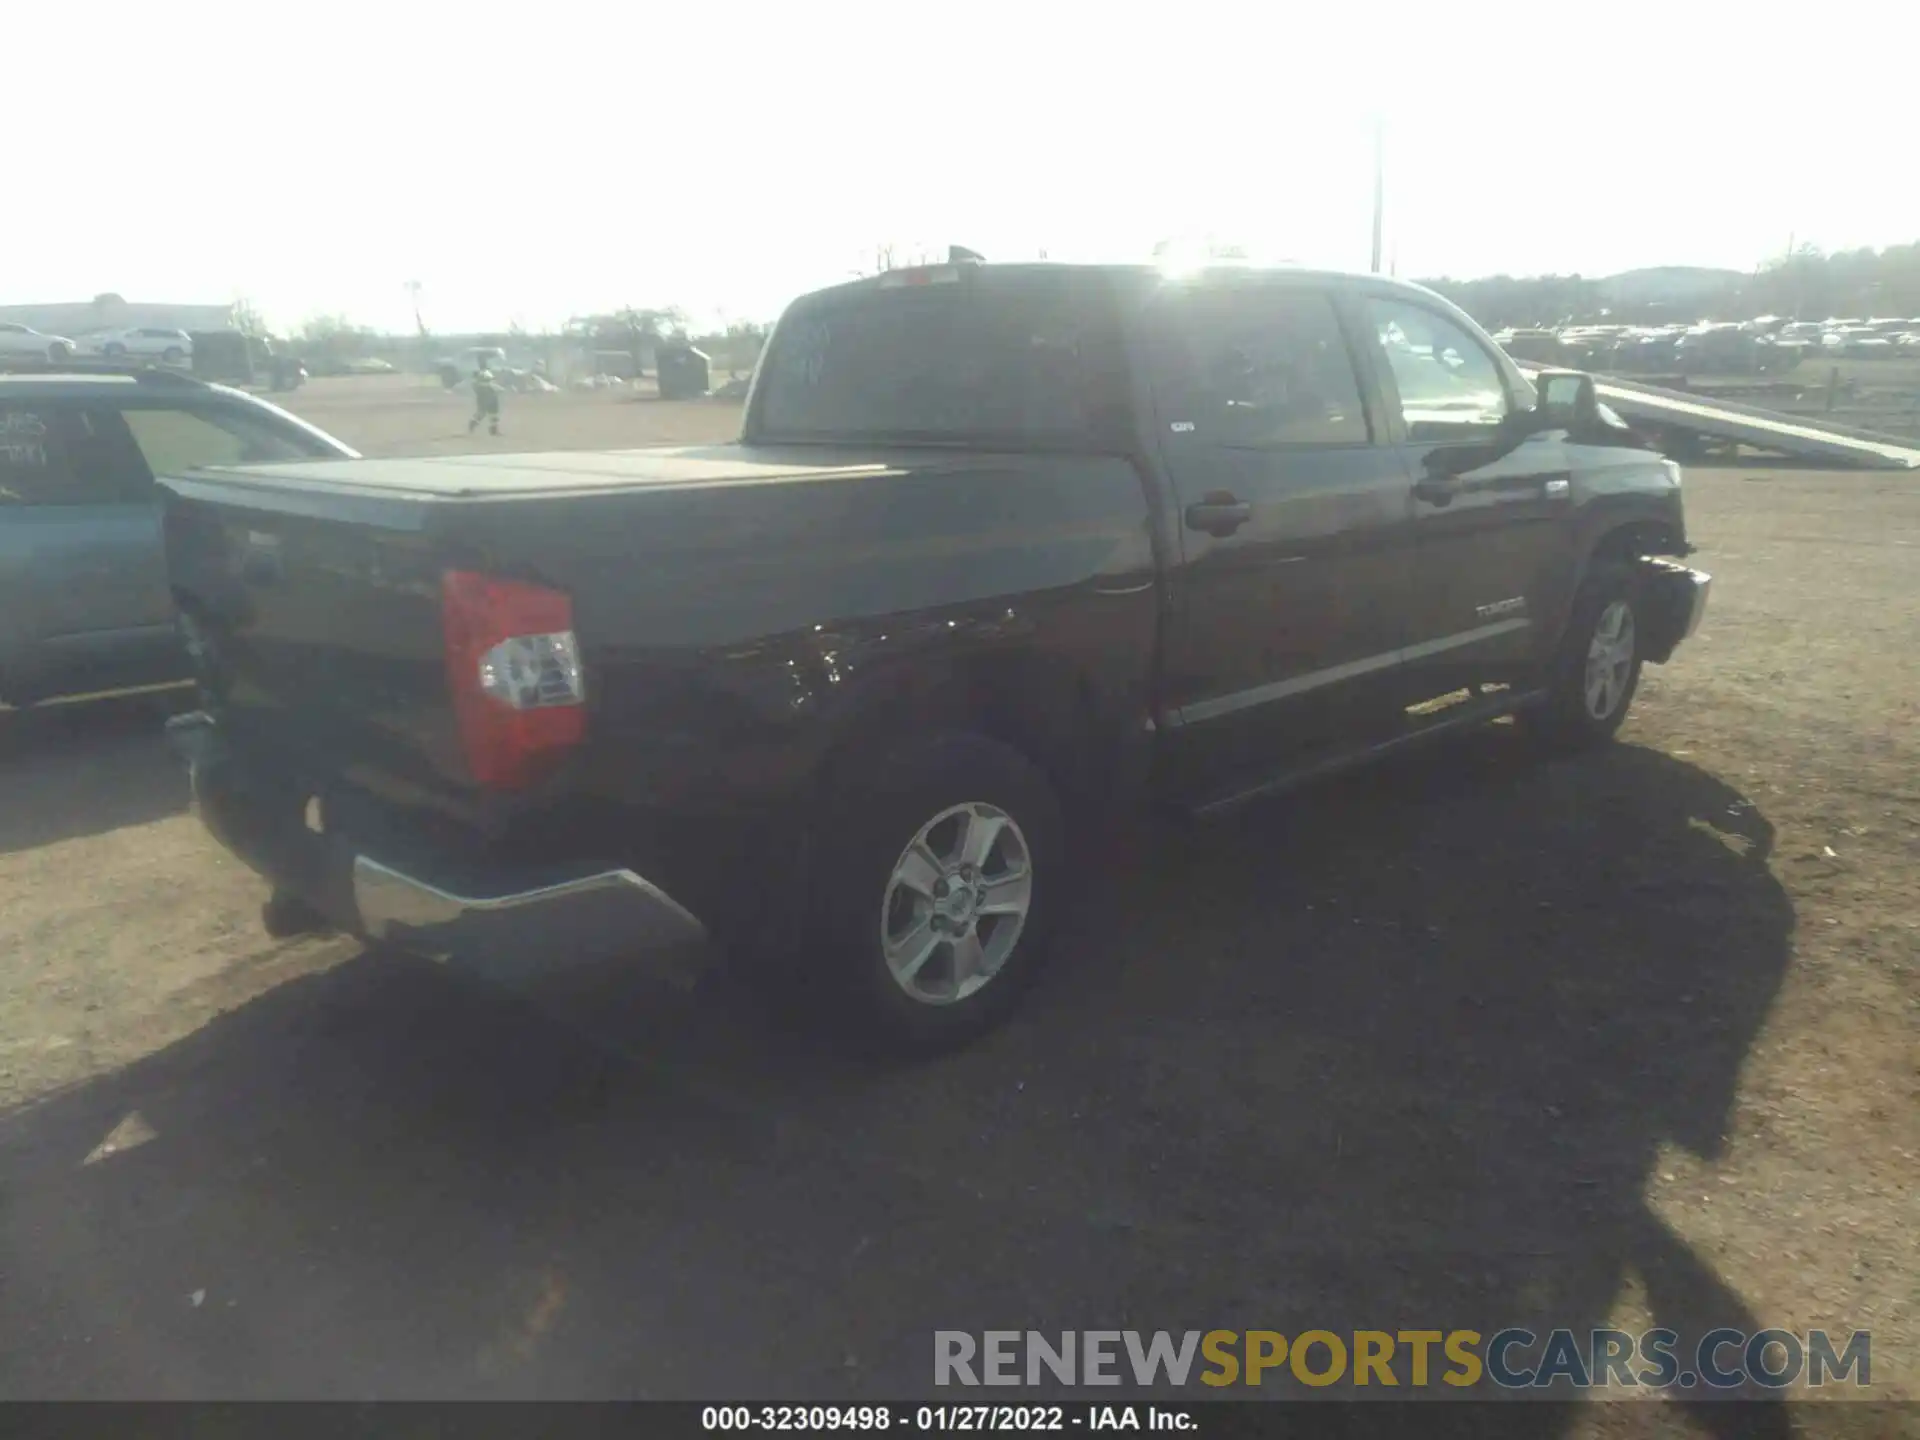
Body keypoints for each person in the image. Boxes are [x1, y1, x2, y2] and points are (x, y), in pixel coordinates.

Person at [468, 358, 501, 436]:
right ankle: (473, 423)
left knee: (494, 412)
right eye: (482, 363)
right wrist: (479, 391)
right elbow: (474, 384)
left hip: (491, 393)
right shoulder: (477, 373)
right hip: (484, 394)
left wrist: (497, 388)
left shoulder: (489, 372)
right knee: (482, 412)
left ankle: (494, 430)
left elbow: (493, 382)